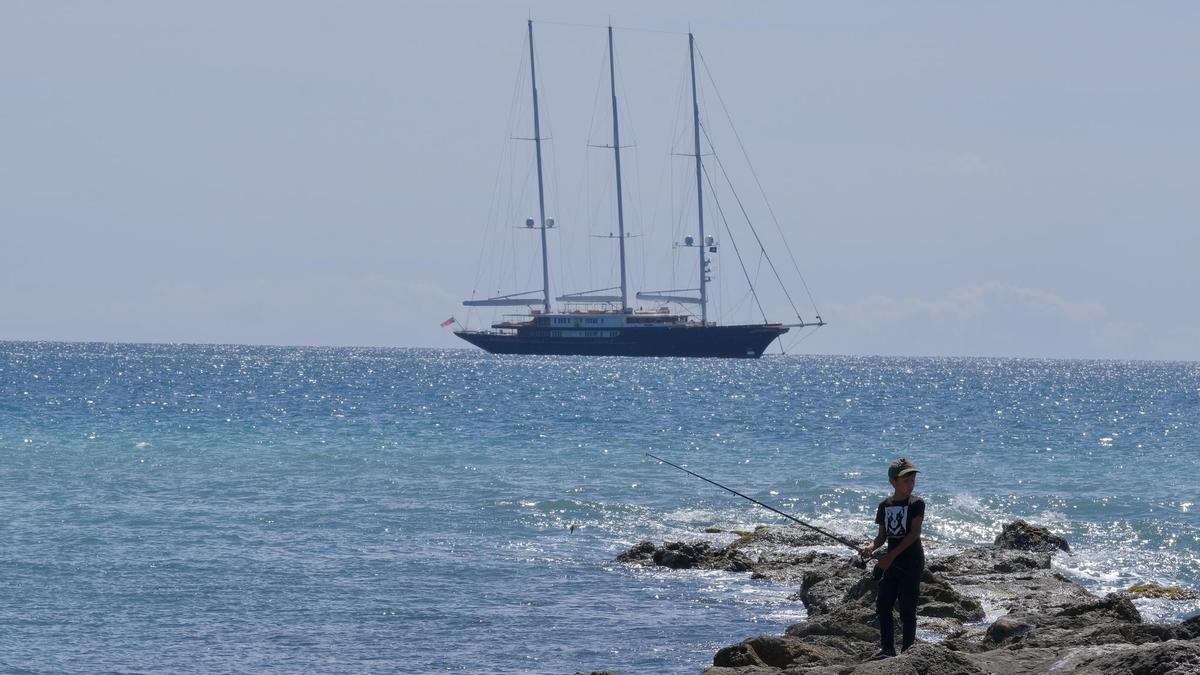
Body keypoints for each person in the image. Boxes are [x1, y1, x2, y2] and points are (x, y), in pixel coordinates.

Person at [859, 457, 925, 660]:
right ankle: (887, 649)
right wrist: (870, 548)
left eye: (912, 480)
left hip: (912, 561)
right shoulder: (885, 505)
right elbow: (882, 536)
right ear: (893, 482)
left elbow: (913, 535)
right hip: (892, 561)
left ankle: (908, 651)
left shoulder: (916, 504)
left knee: (907, 609)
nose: (910, 485)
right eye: (906, 481)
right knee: (883, 604)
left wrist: (889, 557)